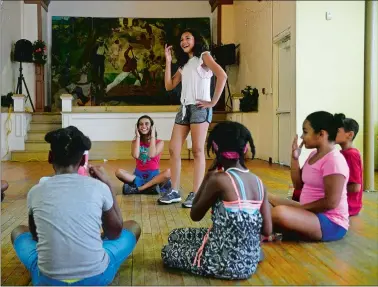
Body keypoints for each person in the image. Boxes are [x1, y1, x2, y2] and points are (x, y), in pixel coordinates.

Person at [11, 126, 141, 286]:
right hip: (95, 278)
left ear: (50, 156)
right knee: (133, 226)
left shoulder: (35, 191)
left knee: (18, 231)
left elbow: (36, 236)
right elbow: (114, 233)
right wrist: (108, 185)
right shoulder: (98, 187)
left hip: (47, 280)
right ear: (83, 160)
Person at [161, 121, 272, 279]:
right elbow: (267, 230)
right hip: (250, 262)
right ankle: (238, 251)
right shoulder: (258, 182)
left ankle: (214, 256)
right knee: (176, 235)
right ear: (245, 148)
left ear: (215, 147)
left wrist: (208, 176)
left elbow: (195, 215)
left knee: (168, 250)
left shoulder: (219, 180)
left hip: (220, 263)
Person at [159, 28, 227, 208]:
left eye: (187, 38)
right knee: (173, 149)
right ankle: (174, 190)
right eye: (181, 39)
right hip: (184, 109)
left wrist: (212, 102)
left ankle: (196, 193)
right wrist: (168, 61)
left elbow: (222, 75)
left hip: (199, 108)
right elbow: (168, 85)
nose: (184, 42)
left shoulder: (204, 56)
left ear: (196, 40)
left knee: (197, 150)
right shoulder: (184, 64)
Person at [269, 112, 349, 242]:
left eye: (305, 132)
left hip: (330, 222)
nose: (302, 136)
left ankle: (274, 230)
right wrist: (294, 158)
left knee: (278, 213)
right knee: (265, 198)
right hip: (308, 211)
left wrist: (299, 208)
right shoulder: (313, 155)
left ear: (321, 134)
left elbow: (331, 203)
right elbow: (298, 185)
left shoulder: (334, 160)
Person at [115, 115, 171, 195]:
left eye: (146, 124)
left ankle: (139, 189)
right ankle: (149, 188)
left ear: (151, 127)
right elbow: (136, 155)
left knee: (169, 172)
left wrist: (152, 136)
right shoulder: (135, 142)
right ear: (137, 127)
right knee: (118, 172)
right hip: (138, 177)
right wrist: (137, 136)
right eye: (140, 124)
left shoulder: (159, 142)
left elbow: (151, 154)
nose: (143, 126)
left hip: (154, 177)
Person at [336, 117, 364, 216]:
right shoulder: (342, 153)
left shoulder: (351, 154)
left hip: (349, 206)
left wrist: (332, 190)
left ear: (350, 135)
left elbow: (356, 187)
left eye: (337, 131)